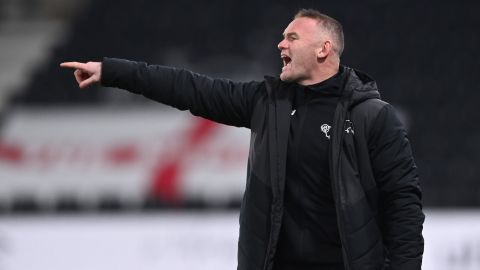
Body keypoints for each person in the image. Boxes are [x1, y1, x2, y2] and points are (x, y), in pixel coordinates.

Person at [60, 8, 424, 270]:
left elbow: (403, 203)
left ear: (323, 49)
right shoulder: (266, 103)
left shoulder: (373, 116)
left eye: (292, 37)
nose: (280, 43)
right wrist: (113, 72)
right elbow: (191, 89)